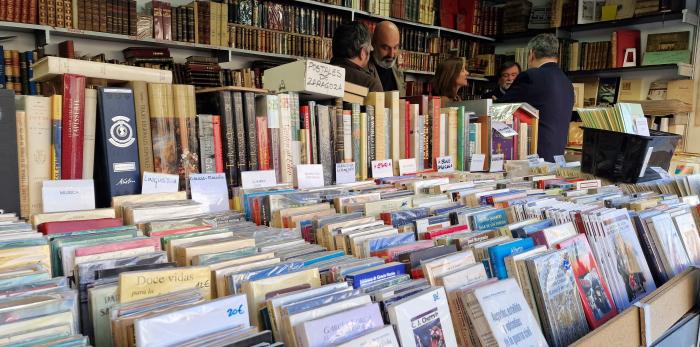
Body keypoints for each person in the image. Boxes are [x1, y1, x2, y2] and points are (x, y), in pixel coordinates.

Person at [498, 33, 574, 162]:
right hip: (558, 156)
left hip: (534, 158)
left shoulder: (531, 76)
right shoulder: (567, 82)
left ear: (532, 54)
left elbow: (500, 109)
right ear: (556, 55)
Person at [330, 21, 383, 93]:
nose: (372, 50)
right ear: (363, 53)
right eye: (370, 48)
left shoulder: (315, 72)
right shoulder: (370, 84)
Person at [369, 21, 406, 96]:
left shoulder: (398, 70)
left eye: (395, 47)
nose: (391, 54)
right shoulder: (363, 68)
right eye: (386, 48)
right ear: (373, 43)